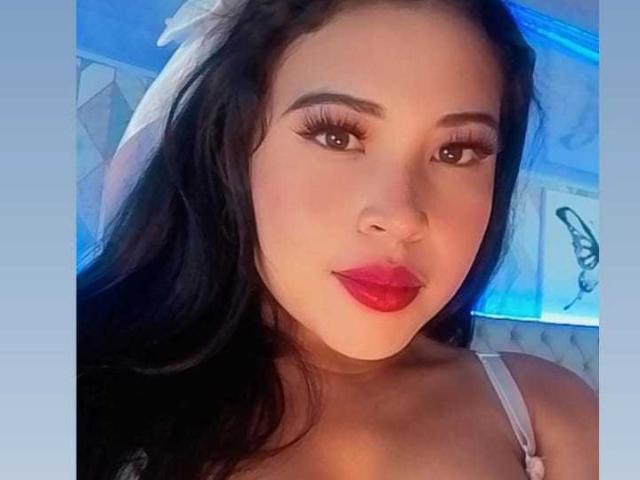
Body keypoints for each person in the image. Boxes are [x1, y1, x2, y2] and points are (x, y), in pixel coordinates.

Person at [77, 1, 599, 479]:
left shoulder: (547, 416)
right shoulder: (81, 393)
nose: (400, 217)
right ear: (233, 148)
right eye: (337, 135)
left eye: (457, 151)